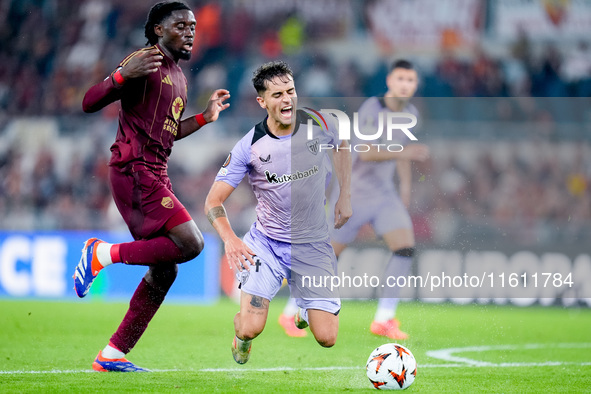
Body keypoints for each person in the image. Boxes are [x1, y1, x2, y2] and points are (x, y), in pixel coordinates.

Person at [74, 1, 230, 372]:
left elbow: (169, 133)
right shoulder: (144, 61)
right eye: (180, 25)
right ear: (158, 30)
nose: (190, 31)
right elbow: (88, 102)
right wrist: (120, 77)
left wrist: (205, 119)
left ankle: (112, 354)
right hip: (134, 169)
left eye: (192, 26)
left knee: (166, 269)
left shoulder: (178, 75)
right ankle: (101, 255)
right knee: (191, 243)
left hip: (155, 171)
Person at [204, 60, 352, 364]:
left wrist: (344, 196)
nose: (287, 100)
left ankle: (303, 307)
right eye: (277, 95)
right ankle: (241, 334)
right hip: (267, 245)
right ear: (262, 101)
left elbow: (343, 145)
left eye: (291, 91)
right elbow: (213, 201)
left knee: (327, 338)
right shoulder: (250, 146)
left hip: (312, 244)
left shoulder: (320, 123)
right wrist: (231, 239)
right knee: (250, 329)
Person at [278, 59, 429, 340]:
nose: (405, 85)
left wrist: (405, 189)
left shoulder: (412, 113)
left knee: (405, 248)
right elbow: (368, 152)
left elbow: (403, 151)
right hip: (354, 192)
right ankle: (290, 312)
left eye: (410, 80)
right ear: (389, 82)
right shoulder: (372, 109)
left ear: (415, 84)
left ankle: (384, 319)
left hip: (384, 195)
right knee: (328, 257)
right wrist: (404, 154)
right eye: (401, 79)